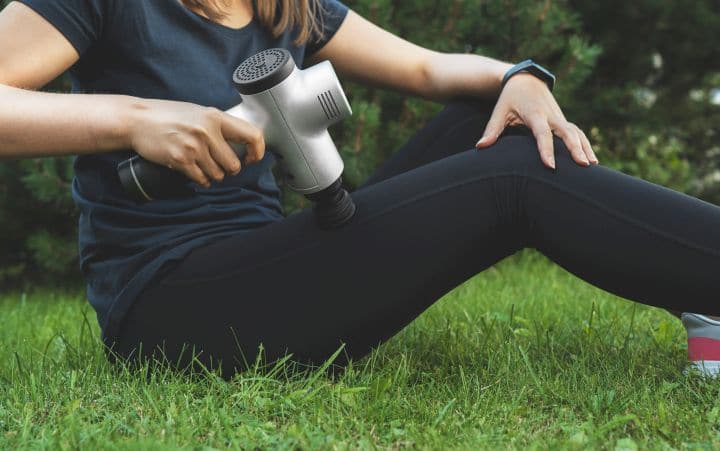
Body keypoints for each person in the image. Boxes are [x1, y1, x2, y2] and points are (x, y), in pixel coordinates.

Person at [0, 0, 718, 378]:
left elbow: (431, 70)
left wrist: (518, 75)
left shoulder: (281, 3)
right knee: (509, 180)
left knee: (487, 118)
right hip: (172, 307)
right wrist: (130, 119)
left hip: (270, 265)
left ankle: (700, 295)